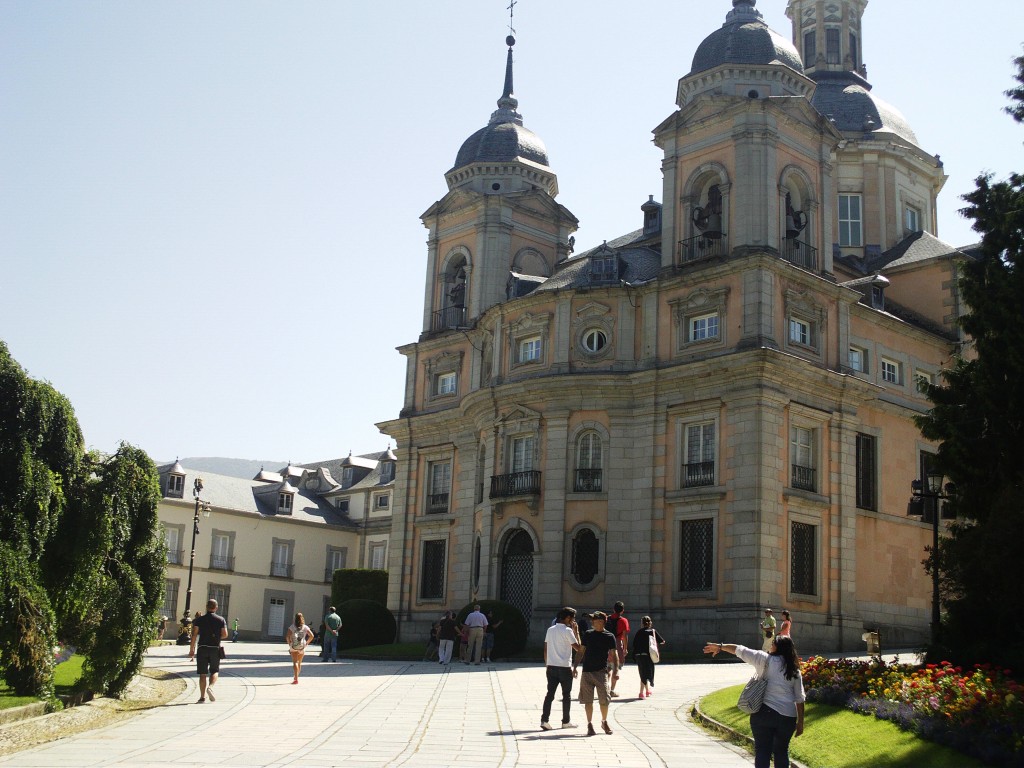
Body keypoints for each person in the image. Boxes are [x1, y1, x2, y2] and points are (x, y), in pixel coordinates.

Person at [703, 636, 805, 768]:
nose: (770, 645)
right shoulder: (794, 670)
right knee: (781, 751)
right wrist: (800, 722)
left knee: (763, 751)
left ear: (777, 647)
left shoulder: (763, 659)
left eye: (773, 643)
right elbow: (800, 698)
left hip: (764, 713)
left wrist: (720, 646)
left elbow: (739, 650)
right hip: (788, 717)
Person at [540, 607, 582, 731]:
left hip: (551, 666)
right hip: (564, 667)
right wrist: (576, 631)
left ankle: (544, 720)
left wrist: (547, 664)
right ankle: (565, 721)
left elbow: (546, 648)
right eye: (572, 618)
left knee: (549, 695)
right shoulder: (568, 630)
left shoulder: (550, 629)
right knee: (566, 695)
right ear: (568, 618)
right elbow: (578, 648)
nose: (573, 621)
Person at [579, 611, 618, 736]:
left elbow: (614, 654)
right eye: (595, 621)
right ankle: (589, 724)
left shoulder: (609, 636)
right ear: (593, 622)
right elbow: (581, 651)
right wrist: (574, 667)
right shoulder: (588, 634)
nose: (597, 623)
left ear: (603, 622)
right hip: (587, 672)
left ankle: (604, 721)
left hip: (601, 672)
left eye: (599, 621)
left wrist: (616, 670)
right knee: (588, 701)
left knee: (604, 699)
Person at [188, 598, 227, 703]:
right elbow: (225, 634)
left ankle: (202, 697)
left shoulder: (199, 620)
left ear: (206, 607)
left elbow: (194, 634)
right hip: (214, 648)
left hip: (202, 648)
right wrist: (217, 637)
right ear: (216, 608)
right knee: (215, 671)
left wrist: (192, 649)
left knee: (202, 673)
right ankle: (210, 687)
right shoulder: (221, 620)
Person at [631, 616, 665, 699]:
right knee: (646, 674)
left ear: (642, 623)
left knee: (643, 673)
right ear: (650, 623)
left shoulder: (639, 632)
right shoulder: (652, 631)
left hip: (639, 655)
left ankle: (647, 691)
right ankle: (641, 693)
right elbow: (662, 641)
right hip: (648, 655)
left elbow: (634, 644)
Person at [607, 601, 630, 697]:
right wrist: (625, 648)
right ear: (623, 610)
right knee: (615, 668)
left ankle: (605, 687)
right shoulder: (623, 620)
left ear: (613, 609)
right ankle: (612, 690)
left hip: (607, 643)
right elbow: (624, 636)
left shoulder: (607, 618)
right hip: (617, 644)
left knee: (607, 668)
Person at [286, 612, 315, 684]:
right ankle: (296, 677)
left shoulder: (292, 627)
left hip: (294, 646)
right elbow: (312, 636)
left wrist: (289, 643)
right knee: (299, 663)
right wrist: (307, 643)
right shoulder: (305, 627)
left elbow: (287, 636)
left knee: (295, 662)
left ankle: (296, 679)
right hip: (302, 646)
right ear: (302, 618)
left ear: (295, 618)